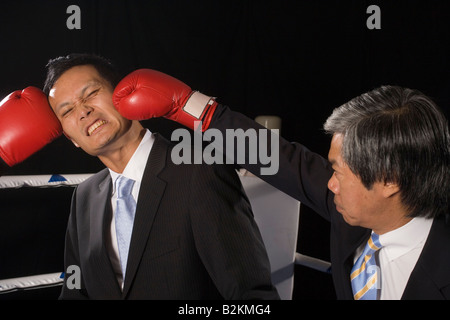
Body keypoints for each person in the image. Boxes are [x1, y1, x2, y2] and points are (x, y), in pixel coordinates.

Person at [113, 69, 450, 300]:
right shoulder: (361, 210)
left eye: (339, 173)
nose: (329, 185)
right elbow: (280, 157)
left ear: (389, 180)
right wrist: (188, 107)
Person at [43, 53, 279, 300]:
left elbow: (250, 295)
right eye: (68, 110)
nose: (83, 111)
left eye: (90, 94)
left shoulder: (198, 170)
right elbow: (74, 293)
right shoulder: (84, 196)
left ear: (124, 94)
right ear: (71, 139)